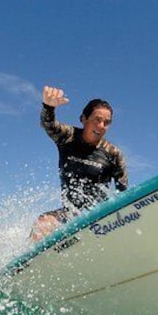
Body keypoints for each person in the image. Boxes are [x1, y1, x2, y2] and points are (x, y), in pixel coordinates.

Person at [30, 85, 128, 241]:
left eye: (106, 122)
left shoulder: (113, 153)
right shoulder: (68, 137)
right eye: (97, 120)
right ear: (84, 118)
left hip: (100, 216)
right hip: (70, 214)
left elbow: (123, 193)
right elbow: (48, 125)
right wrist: (48, 107)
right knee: (43, 222)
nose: (101, 126)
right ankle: (28, 265)